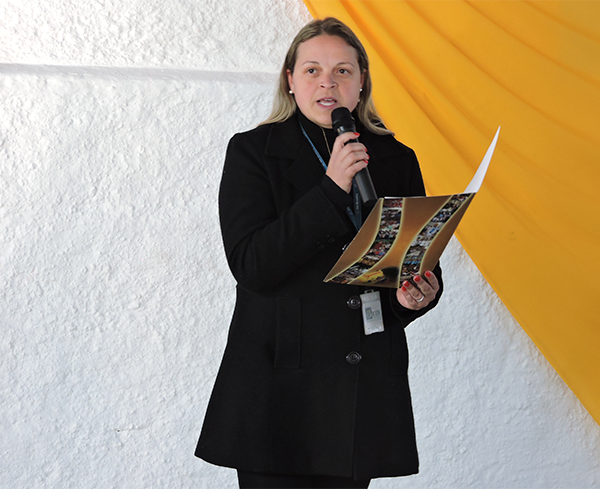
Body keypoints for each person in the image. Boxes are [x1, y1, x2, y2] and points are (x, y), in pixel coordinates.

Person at [195, 17, 443, 489]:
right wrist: (331, 188)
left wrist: (415, 296)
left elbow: (411, 264)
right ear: (290, 81)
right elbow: (252, 265)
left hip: (360, 386)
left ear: (362, 81)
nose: (328, 83)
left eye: (342, 71)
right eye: (312, 70)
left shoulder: (396, 158)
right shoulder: (253, 152)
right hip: (278, 390)